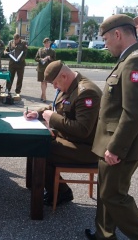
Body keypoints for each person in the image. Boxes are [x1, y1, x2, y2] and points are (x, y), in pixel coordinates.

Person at [84, 14, 138, 240]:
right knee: (106, 191)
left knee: (113, 195)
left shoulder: (137, 61)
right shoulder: (128, 59)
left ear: (118, 34)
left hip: (121, 145)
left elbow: (134, 112)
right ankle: (104, 235)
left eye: (105, 38)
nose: (104, 44)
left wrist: (115, 148)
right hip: (111, 141)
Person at [24, 61, 101, 207]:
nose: (54, 87)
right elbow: (57, 107)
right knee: (34, 143)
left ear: (64, 76)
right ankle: (40, 186)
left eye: (54, 83)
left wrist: (51, 117)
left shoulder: (86, 92)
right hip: (71, 140)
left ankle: (62, 192)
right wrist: (39, 113)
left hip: (86, 148)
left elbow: (82, 130)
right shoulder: (70, 85)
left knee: (40, 148)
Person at [35, 37, 56, 102]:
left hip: (48, 68)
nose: (47, 44)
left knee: (45, 82)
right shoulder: (40, 50)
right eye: (45, 43)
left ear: (50, 43)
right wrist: (41, 59)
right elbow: (36, 58)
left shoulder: (52, 51)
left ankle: (43, 95)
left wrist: (50, 58)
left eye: (48, 43)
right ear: (43, 44)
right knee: (42, 82)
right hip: (41, 68)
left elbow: (55, 60)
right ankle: (44, 96)